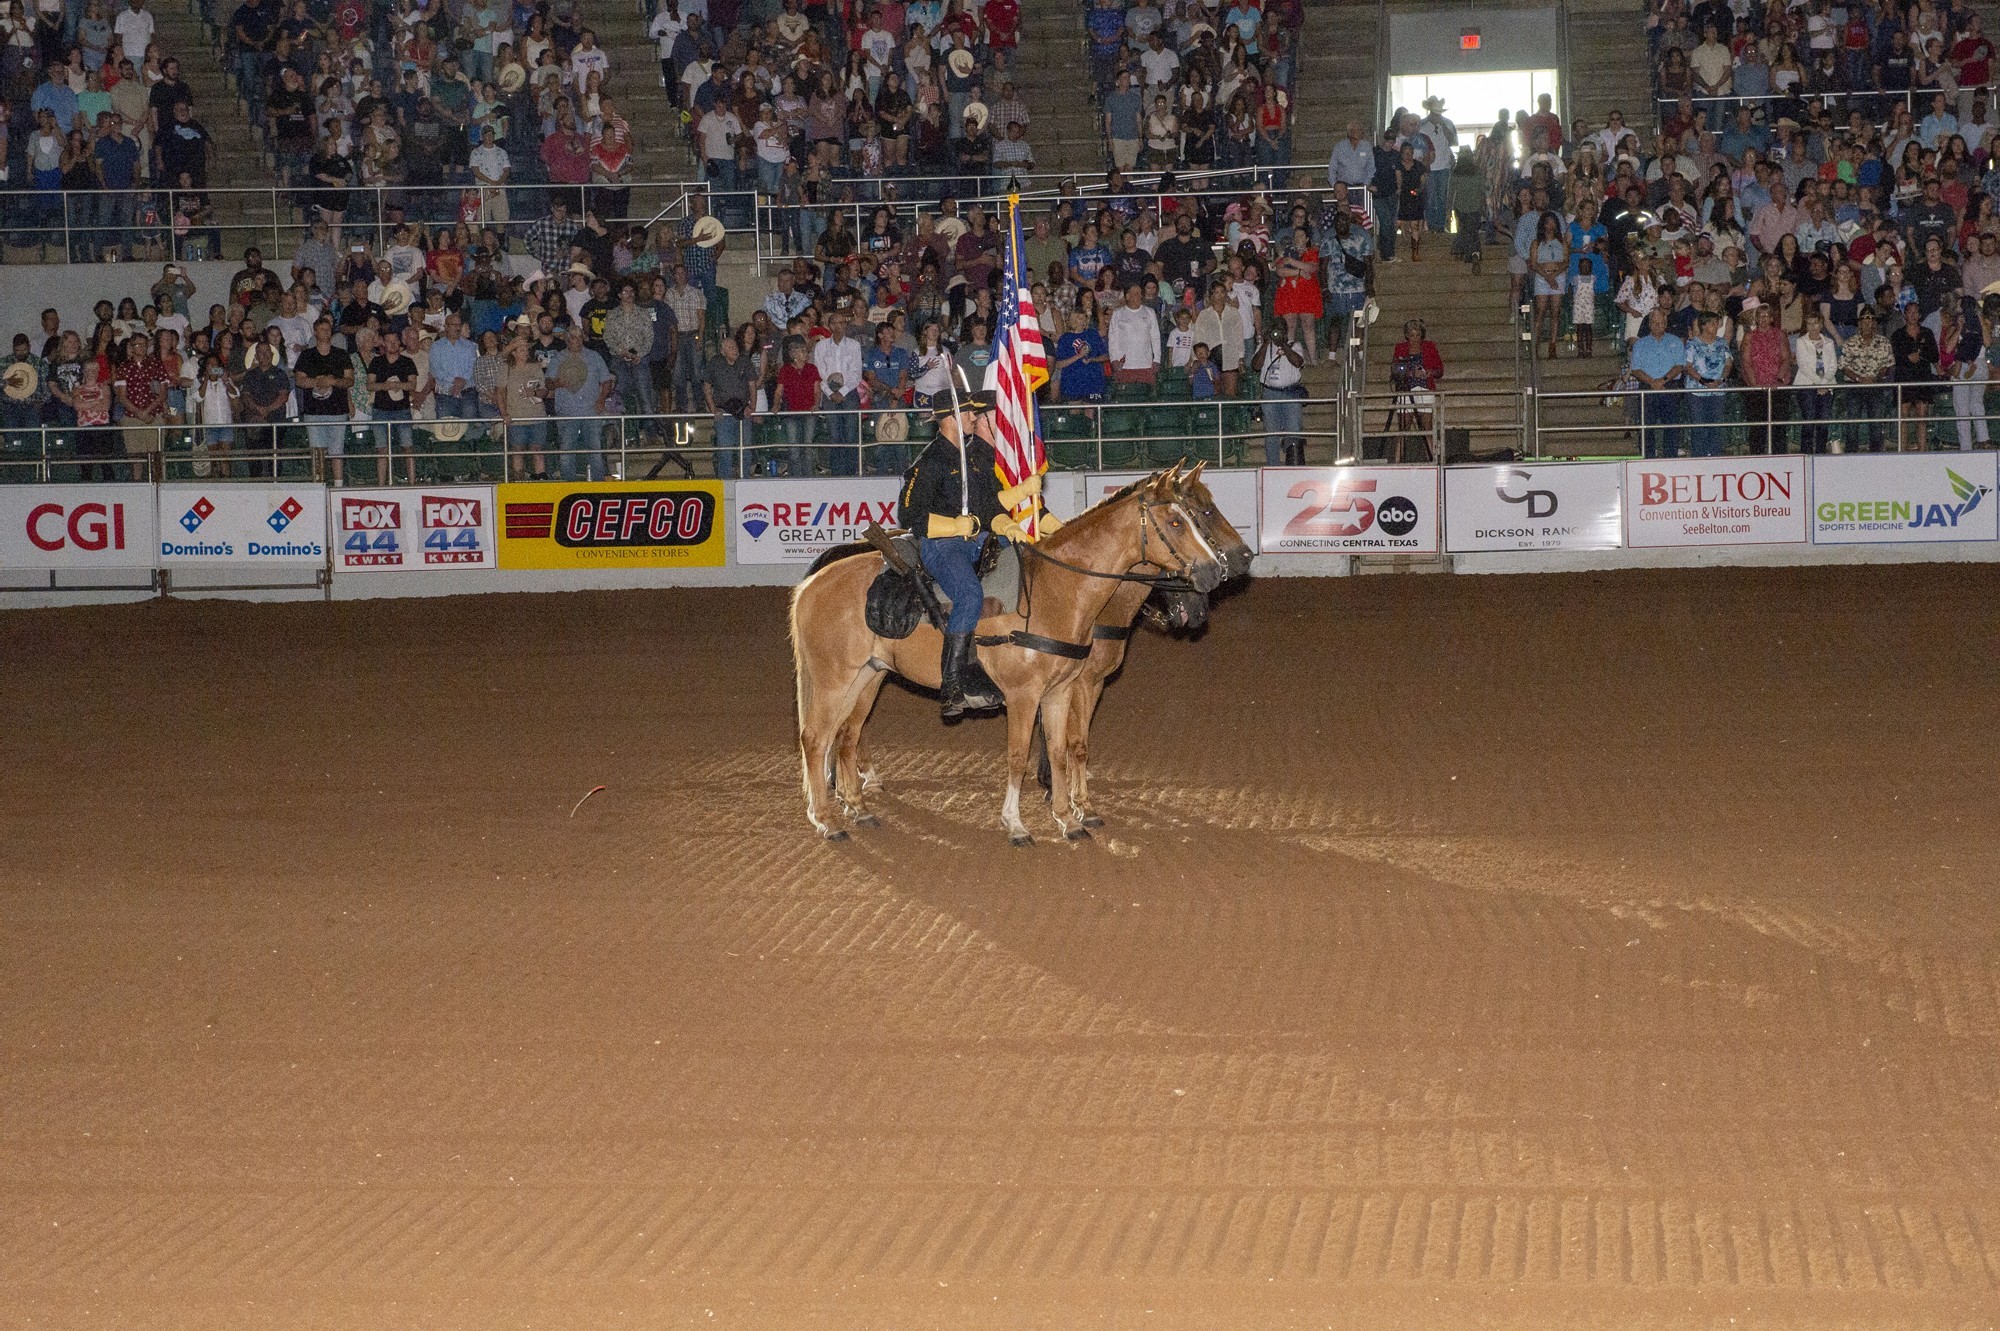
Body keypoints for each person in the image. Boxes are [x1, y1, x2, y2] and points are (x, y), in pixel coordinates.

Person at [896, 391, 1029, 720]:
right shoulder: (928, 463)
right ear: (949, 418)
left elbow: (990, 507)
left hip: (977, 541)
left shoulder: (970, 460)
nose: (974, 416)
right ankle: (953, 683)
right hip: (943, 547)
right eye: (968, 412)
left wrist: (1009, 525)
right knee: (970, 595)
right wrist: (954, 524)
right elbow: (910, 516)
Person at [1627, 307, 1687, 458]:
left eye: (1660, 322)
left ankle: (1670, 457)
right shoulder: (1640, 344)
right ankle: (1648, 458)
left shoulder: (1675, 341)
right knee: (1647, 426)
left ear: (1666, 322)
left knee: (1671, 426)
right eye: (1654, 322)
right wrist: (1652, 382)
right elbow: (1635, 368)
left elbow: (1679, 365)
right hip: (1647, 388)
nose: (1657, 325)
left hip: (1670, 387)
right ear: (1649, 324)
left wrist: (1663, 380)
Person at [1253, 326, 1306, 465]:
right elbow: (1256, 366)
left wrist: (1283, 344)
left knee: (1294, 431)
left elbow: (1298, 362)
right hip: (1270, 393)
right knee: (1271, 433)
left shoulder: (1295, 345)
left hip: (1291, 392)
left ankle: (1294, 465)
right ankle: (1273, 466)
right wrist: (1265, 343)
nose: (1276, 334)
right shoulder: (1263, 346)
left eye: (1280, 331)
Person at [1792, 309, 1840, 454]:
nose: (1813, 326)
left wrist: (1824, 383)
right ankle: (1805, 453)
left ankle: (1820, 453)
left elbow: (1833, 365)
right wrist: (1819, 382)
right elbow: (1803, 364)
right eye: (1809, 323)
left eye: (1816, 323)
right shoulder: (1801, 341)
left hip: (1826, 385)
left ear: (1821, 325)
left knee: (1823, 422)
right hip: (1806, 385)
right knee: (1809, 420)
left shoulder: (1829, 342)